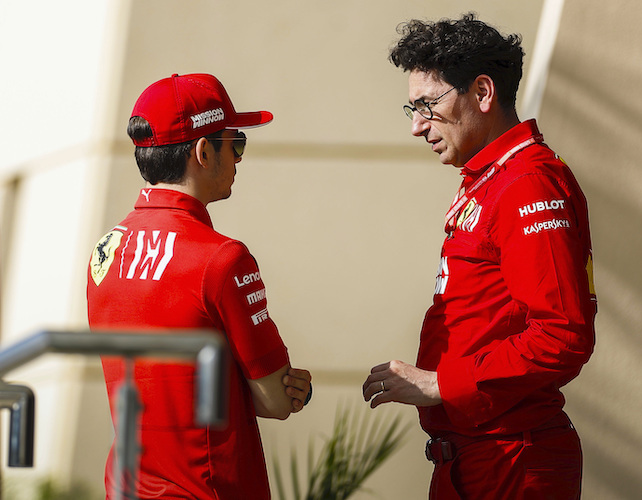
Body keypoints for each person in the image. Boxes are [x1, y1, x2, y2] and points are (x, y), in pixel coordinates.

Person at [362, 14, 596, 500]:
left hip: (512, 460)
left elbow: (563, 334)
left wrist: (442, 384)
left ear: (483, 92)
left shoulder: (528, 182)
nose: (416, 126)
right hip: (475, 458)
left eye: (427, 105)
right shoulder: (491, 177)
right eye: (411, 108)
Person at [87, 73, 312, 500]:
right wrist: (291, 388)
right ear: (204, 151)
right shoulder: (222, 258)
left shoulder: (106, 250)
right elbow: (276, 401)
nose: (240, 158)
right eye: (236, 143)